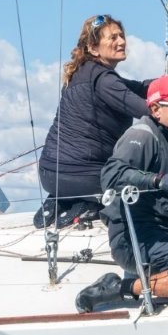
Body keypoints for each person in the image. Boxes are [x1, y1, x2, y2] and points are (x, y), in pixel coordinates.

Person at [76, 76, 168, 312]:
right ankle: (118, 287)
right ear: (156, 109)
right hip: (138, 237)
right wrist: (160, 180)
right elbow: (111, 175)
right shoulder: (142, 135)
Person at [37, 14, 153, 228]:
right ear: (93, 48)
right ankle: (87, 203)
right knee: (148, 193)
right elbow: (150, 111)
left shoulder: (82, 73)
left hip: (49, 175)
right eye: (113, 37)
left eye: (121, 35)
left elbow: (138, 87)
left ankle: (63, 200)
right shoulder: (104, 80)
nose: (121, 41)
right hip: (84, 178)